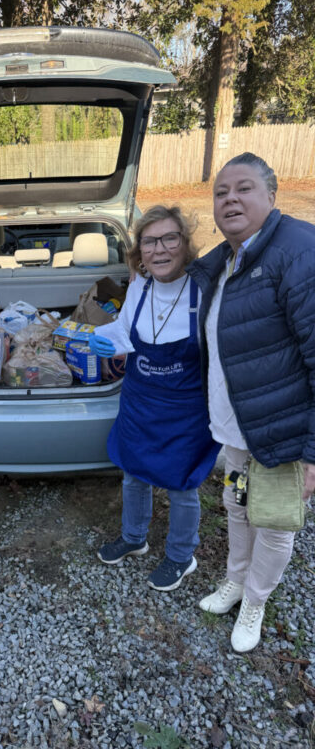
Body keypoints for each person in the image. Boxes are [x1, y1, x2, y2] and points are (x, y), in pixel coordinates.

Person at [187, 152, 315, 652]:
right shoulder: (227, 259)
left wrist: (311, 452)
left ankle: (257, 600)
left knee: (274, 521)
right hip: (236, 426)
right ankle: (235, 581)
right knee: (237, 505)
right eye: (221, 193)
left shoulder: (298, 252)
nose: (230, 199)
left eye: (243, 189)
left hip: (282, 429)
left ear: (272, 195)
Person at [89, 205, 220, 591]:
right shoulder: (140, 287)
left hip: (185, 409)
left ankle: (182, 555)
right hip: (140, 402)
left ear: (185, 244)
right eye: (149, 241)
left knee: (182, 485)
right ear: (139, 251)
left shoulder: (204, 291)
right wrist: (104, 341)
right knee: (133, 473)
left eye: (169, 239)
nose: (159, 250)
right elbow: (125, 331)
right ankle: (134, 538)